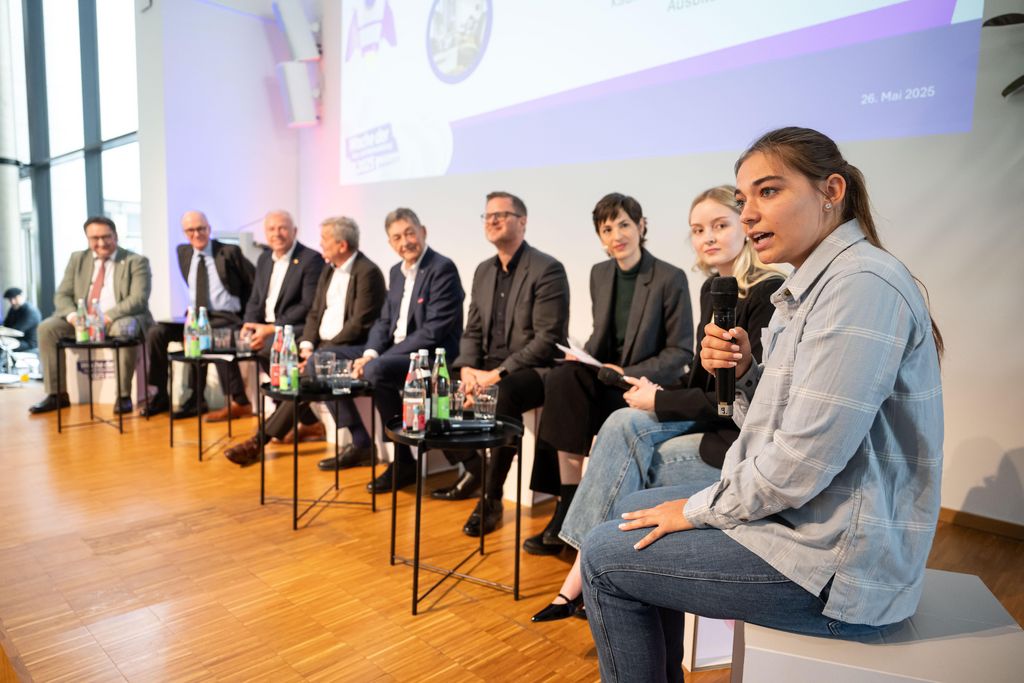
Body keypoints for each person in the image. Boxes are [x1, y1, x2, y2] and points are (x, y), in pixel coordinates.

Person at [580, 127, 944, 682]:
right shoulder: (813, 288)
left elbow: (803, 461)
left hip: (834, 561)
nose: (748, 214)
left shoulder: (860, 285)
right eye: (744, 197)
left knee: (606, 556)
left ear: (832, 190)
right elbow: (775, 432)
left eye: (768, 192)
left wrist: (698, 510)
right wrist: (747, 375)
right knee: (638, 513)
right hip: (807, 523)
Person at [532, 185, 785, 620]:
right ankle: (584, 567)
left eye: (720, 225)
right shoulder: (712, 289)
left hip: (734, 432)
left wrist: (662, 396)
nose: (707, 237)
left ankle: (577, 577)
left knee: (628, 437)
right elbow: (700, 376)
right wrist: (652, 392)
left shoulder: (767, 292)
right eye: (698, 229)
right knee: (617, 417)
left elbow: (737, 401)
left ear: (744, 226)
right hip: (697, 407)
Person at [524, 193, 693, 556]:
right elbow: (604, 337)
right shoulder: (600, 273)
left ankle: (566, 517)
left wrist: (626, 371)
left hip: (642, 385)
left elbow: (680, 352)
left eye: (624, 225)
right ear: (600, 237)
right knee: (560, 379)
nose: (616, 234)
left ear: (641, 226)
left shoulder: (669, 277)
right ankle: (565, 507)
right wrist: (583, 356)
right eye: (607, 228)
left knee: (563, 389)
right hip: (606, 379)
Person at [441, 191, 570, 538]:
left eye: (501, 214)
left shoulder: (547, 269)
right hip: (485, 369)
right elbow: (472, 330)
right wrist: (468, 368)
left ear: (522, 221)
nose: (492, 220)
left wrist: (495, 374)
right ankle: (475, 468)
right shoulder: (483, 271)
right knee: (437, 386)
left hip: (533, 371)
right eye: (487, 216)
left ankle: (491, 498)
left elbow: (546, 341)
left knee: (504, 392)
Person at [225, 216, 387, 466]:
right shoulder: (328, 268)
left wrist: (319, 352)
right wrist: (307, 346)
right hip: (324, 347)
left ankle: (260, 440)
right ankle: (358, 442)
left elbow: (359, 325)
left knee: (315, 369)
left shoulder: (368, 272)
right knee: (306, 372)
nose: (320, 245)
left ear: (342, 245)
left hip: (355, 347)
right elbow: (314, 313)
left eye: (325, 240)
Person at [338, 208, 464, 489]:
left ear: (423, 232)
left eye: (409, 233)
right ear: (390, 243)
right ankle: (365, 443)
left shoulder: (442, 268)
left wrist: (377, 359)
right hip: (396, 353)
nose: (405, 241)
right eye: (397, 237)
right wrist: (369, 353)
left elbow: (433, 332)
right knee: (329, 358)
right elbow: (384, 322)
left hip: (433, 356)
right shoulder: (396, 272)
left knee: (377, 370)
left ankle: (403, 459)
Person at [30, 216, 153, 415]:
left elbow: (138, 299)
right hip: (81, 320)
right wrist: (72, 316)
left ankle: (123, 396)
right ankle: (57, 395)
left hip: (117, 318)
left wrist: (105, 318)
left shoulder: (135, 261)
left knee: (123, 327)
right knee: (47, 328)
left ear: (116, 236)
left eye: (106, 237)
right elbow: (62, 294)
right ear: (87, 239)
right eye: (95, 238)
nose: (101, 243)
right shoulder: (78, 259)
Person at [141, 210, 256, 419]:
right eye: (190, 230)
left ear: (209, 229)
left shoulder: (229, 252)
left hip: (226, 317)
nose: (196, 234)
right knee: (157, 332)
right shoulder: (183, 253)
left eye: (201, 228)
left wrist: (249, 318)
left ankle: (236, 401)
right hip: (196, 316)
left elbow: (253, 283)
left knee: (210, 338)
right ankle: (159, 394)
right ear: (185, 233)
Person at [240, 210, 322, 373]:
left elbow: (307, 305)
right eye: (271, 229)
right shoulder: (264, 259)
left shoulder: (311, 259)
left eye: (282, 228)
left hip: (293, 328)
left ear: (295, 231)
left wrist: (272, 328)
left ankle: (284, 396)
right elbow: (255, 299)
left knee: (268, 348)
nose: (276, 234)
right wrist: (249, 326)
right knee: (237, 344)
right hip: (265, 328)